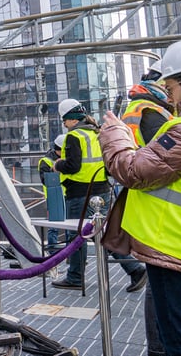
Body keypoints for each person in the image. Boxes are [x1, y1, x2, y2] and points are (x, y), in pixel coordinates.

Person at [100, 38, 181, 356]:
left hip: (178, 246)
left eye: (171, 86)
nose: (168, 94)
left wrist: (115, 136)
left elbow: (134, 172)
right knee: (172, 339)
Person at [50, 98, 146, 291]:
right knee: (101, 233)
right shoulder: (98, 132)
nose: (64, 125)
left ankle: (75, 277)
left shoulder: (74, 136)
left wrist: (57, 165)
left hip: (80, 194)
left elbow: (72, 166)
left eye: (64, 121)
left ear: (70, 119)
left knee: (76, 236)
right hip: (102, 190)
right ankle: (135, 269)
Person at [118, 60, 174, 356]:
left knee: (161, 281)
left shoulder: (147, 107)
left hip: (153, 200)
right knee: (161, 282)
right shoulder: (149, 110)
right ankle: (159, 349)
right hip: (159, 203)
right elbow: (169, 158)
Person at [37, 134, 65, 253]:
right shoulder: (46, 161)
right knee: (53, 226)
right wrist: (54, 169)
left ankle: (72, 254)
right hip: (54, 196)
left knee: (72, 228)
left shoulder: (68, 158)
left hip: (69, 194)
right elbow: (45, 180)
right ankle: (53, 253)